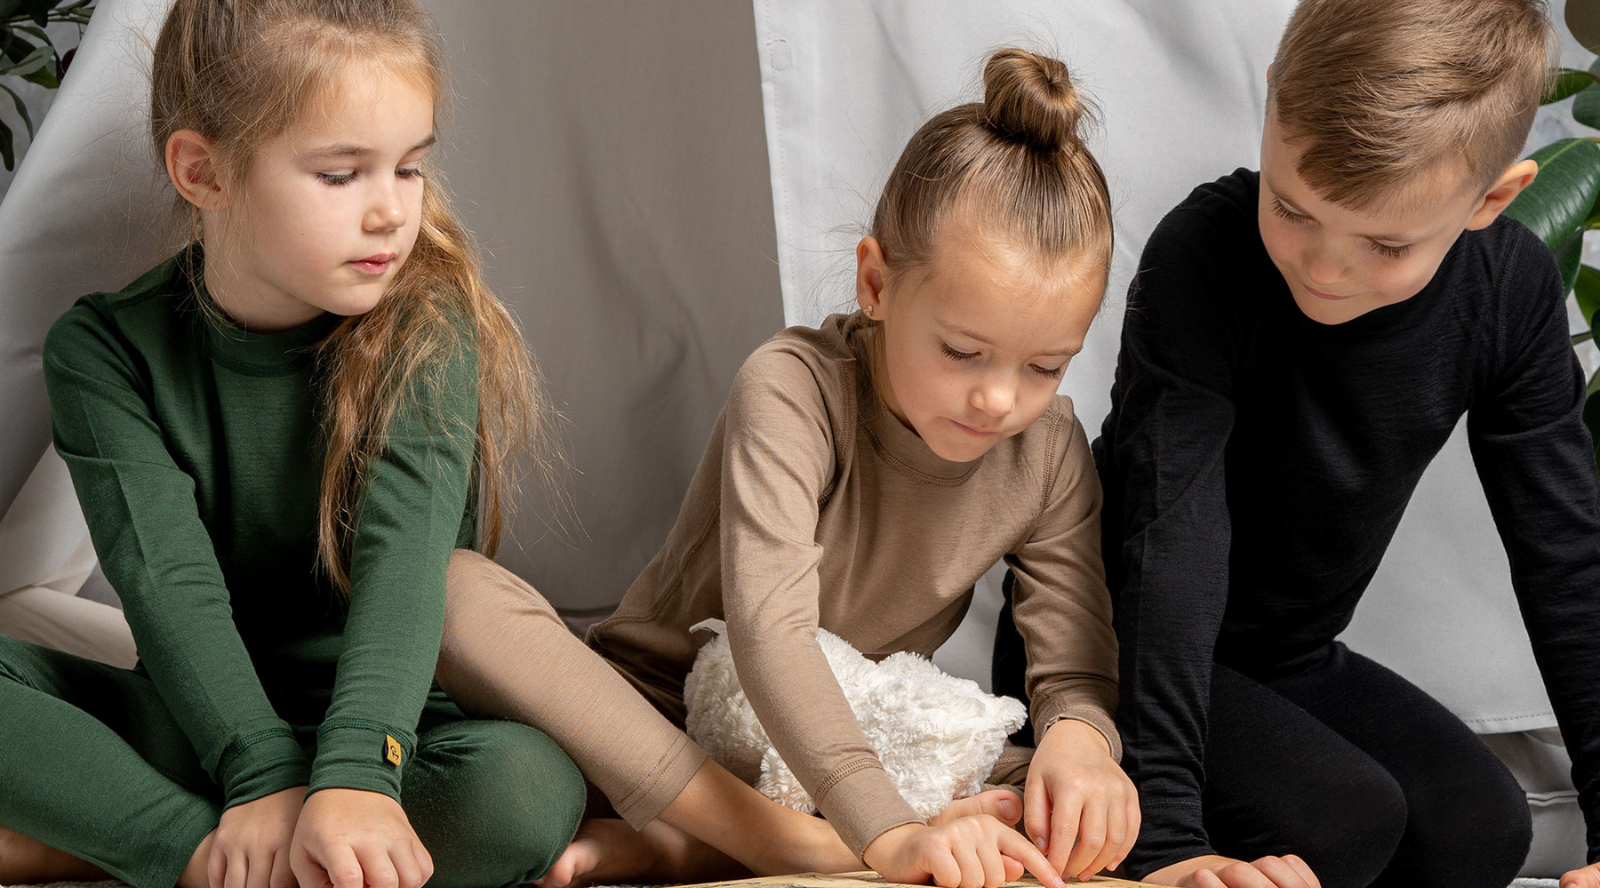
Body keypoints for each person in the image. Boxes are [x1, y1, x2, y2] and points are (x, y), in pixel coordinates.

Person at [436, 47, 1136, 888]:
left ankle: (696, 847)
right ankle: (783, 844)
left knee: (1053, 804)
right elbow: (771, 634)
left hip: (849, 745)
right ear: (876, 284)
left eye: (1044, 367)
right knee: (450, 592)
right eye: (962, 351)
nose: (997, 399)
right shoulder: (795, 386)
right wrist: (880, 836)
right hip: (666, 725)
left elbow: (1073, 668)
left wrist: (1082, 745)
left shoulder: (1050, 451)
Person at [996, 2, 1600, 888]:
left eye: (1385, 243)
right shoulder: (1205, 251)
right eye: (1294, 208)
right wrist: (1168, 841)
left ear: (1494, 199)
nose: (1323, 266)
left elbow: (1566, 556)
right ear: (1273, 104)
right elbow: (1173, 542)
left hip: (1284, 661)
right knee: (1347, 820)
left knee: (1480, 827)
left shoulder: (1508, 293)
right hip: (1105, 643)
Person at [0, 2, 587, 886]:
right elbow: (167, 586)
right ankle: (204, 853)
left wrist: (356, 777)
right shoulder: (104, 351)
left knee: (521, 791)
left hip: (398, 739)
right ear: (204, 173)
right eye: (343, 174)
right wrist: (261, 772)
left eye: (410, 168)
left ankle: (133, 846)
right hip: (206, 725)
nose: (393, 213)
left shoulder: (429, 323)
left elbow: (403, 567)